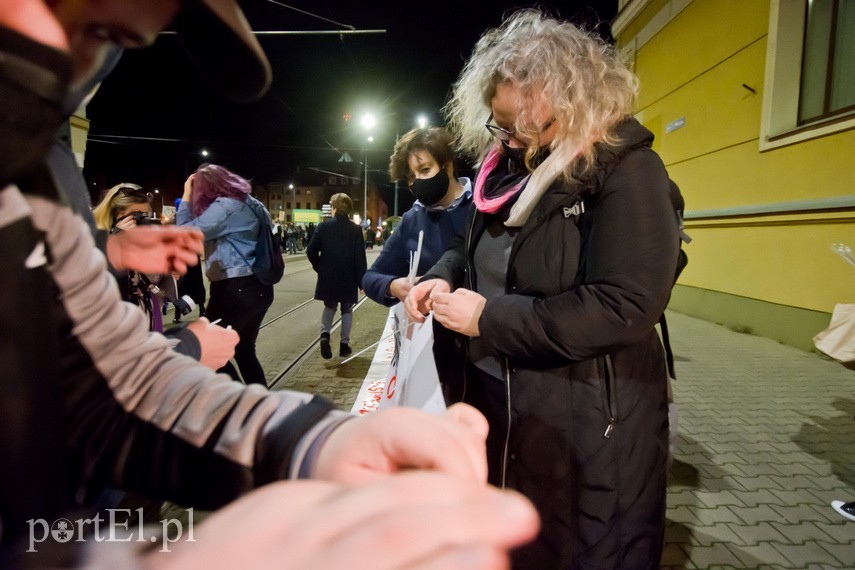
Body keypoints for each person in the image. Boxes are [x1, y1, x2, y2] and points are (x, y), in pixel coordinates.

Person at [0, 2, 539, 567]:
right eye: (68, 10)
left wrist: (314, 442)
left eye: (113, 39)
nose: (67, 66)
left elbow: (104, 377)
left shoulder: (42, 164)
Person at [405, 9, 682, 568]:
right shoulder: (508, 164)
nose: (506, 140)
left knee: (577, 544)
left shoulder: (628, 171)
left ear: (574, 103)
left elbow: (623, 304)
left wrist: (489, 319)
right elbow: (470, 246)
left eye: (520, 125)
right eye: (498, 125)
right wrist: (439, 277)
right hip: (498, 401)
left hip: (581, 420)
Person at [362, 126, 473, 400]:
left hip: (484, 349)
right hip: (434, 356)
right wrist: (394, 286)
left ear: (447, 165)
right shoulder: (412, 220)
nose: (417, 182)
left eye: (424, 170)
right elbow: (370, 277)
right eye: (410, 177)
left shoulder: (481, 205)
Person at [176, 163, 274, 386]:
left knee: (206, 347)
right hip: (260, 287)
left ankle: (243, 405)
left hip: (234, 289)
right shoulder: (254, 204)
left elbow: (183, 234)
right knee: (244, 350)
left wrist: (186, 195)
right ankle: (260, 407)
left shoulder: (226, 206)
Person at [307, 193, 367, 359]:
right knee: (347, 309)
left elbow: (310, 250)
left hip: (329, 275)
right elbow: (359, 258)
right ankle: (344, 345)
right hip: (349, 276)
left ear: (334, 208)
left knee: (329, 306)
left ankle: (325, 335)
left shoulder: (324, 227)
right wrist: (362, 282)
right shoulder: (355, 230)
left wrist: (320, 267)